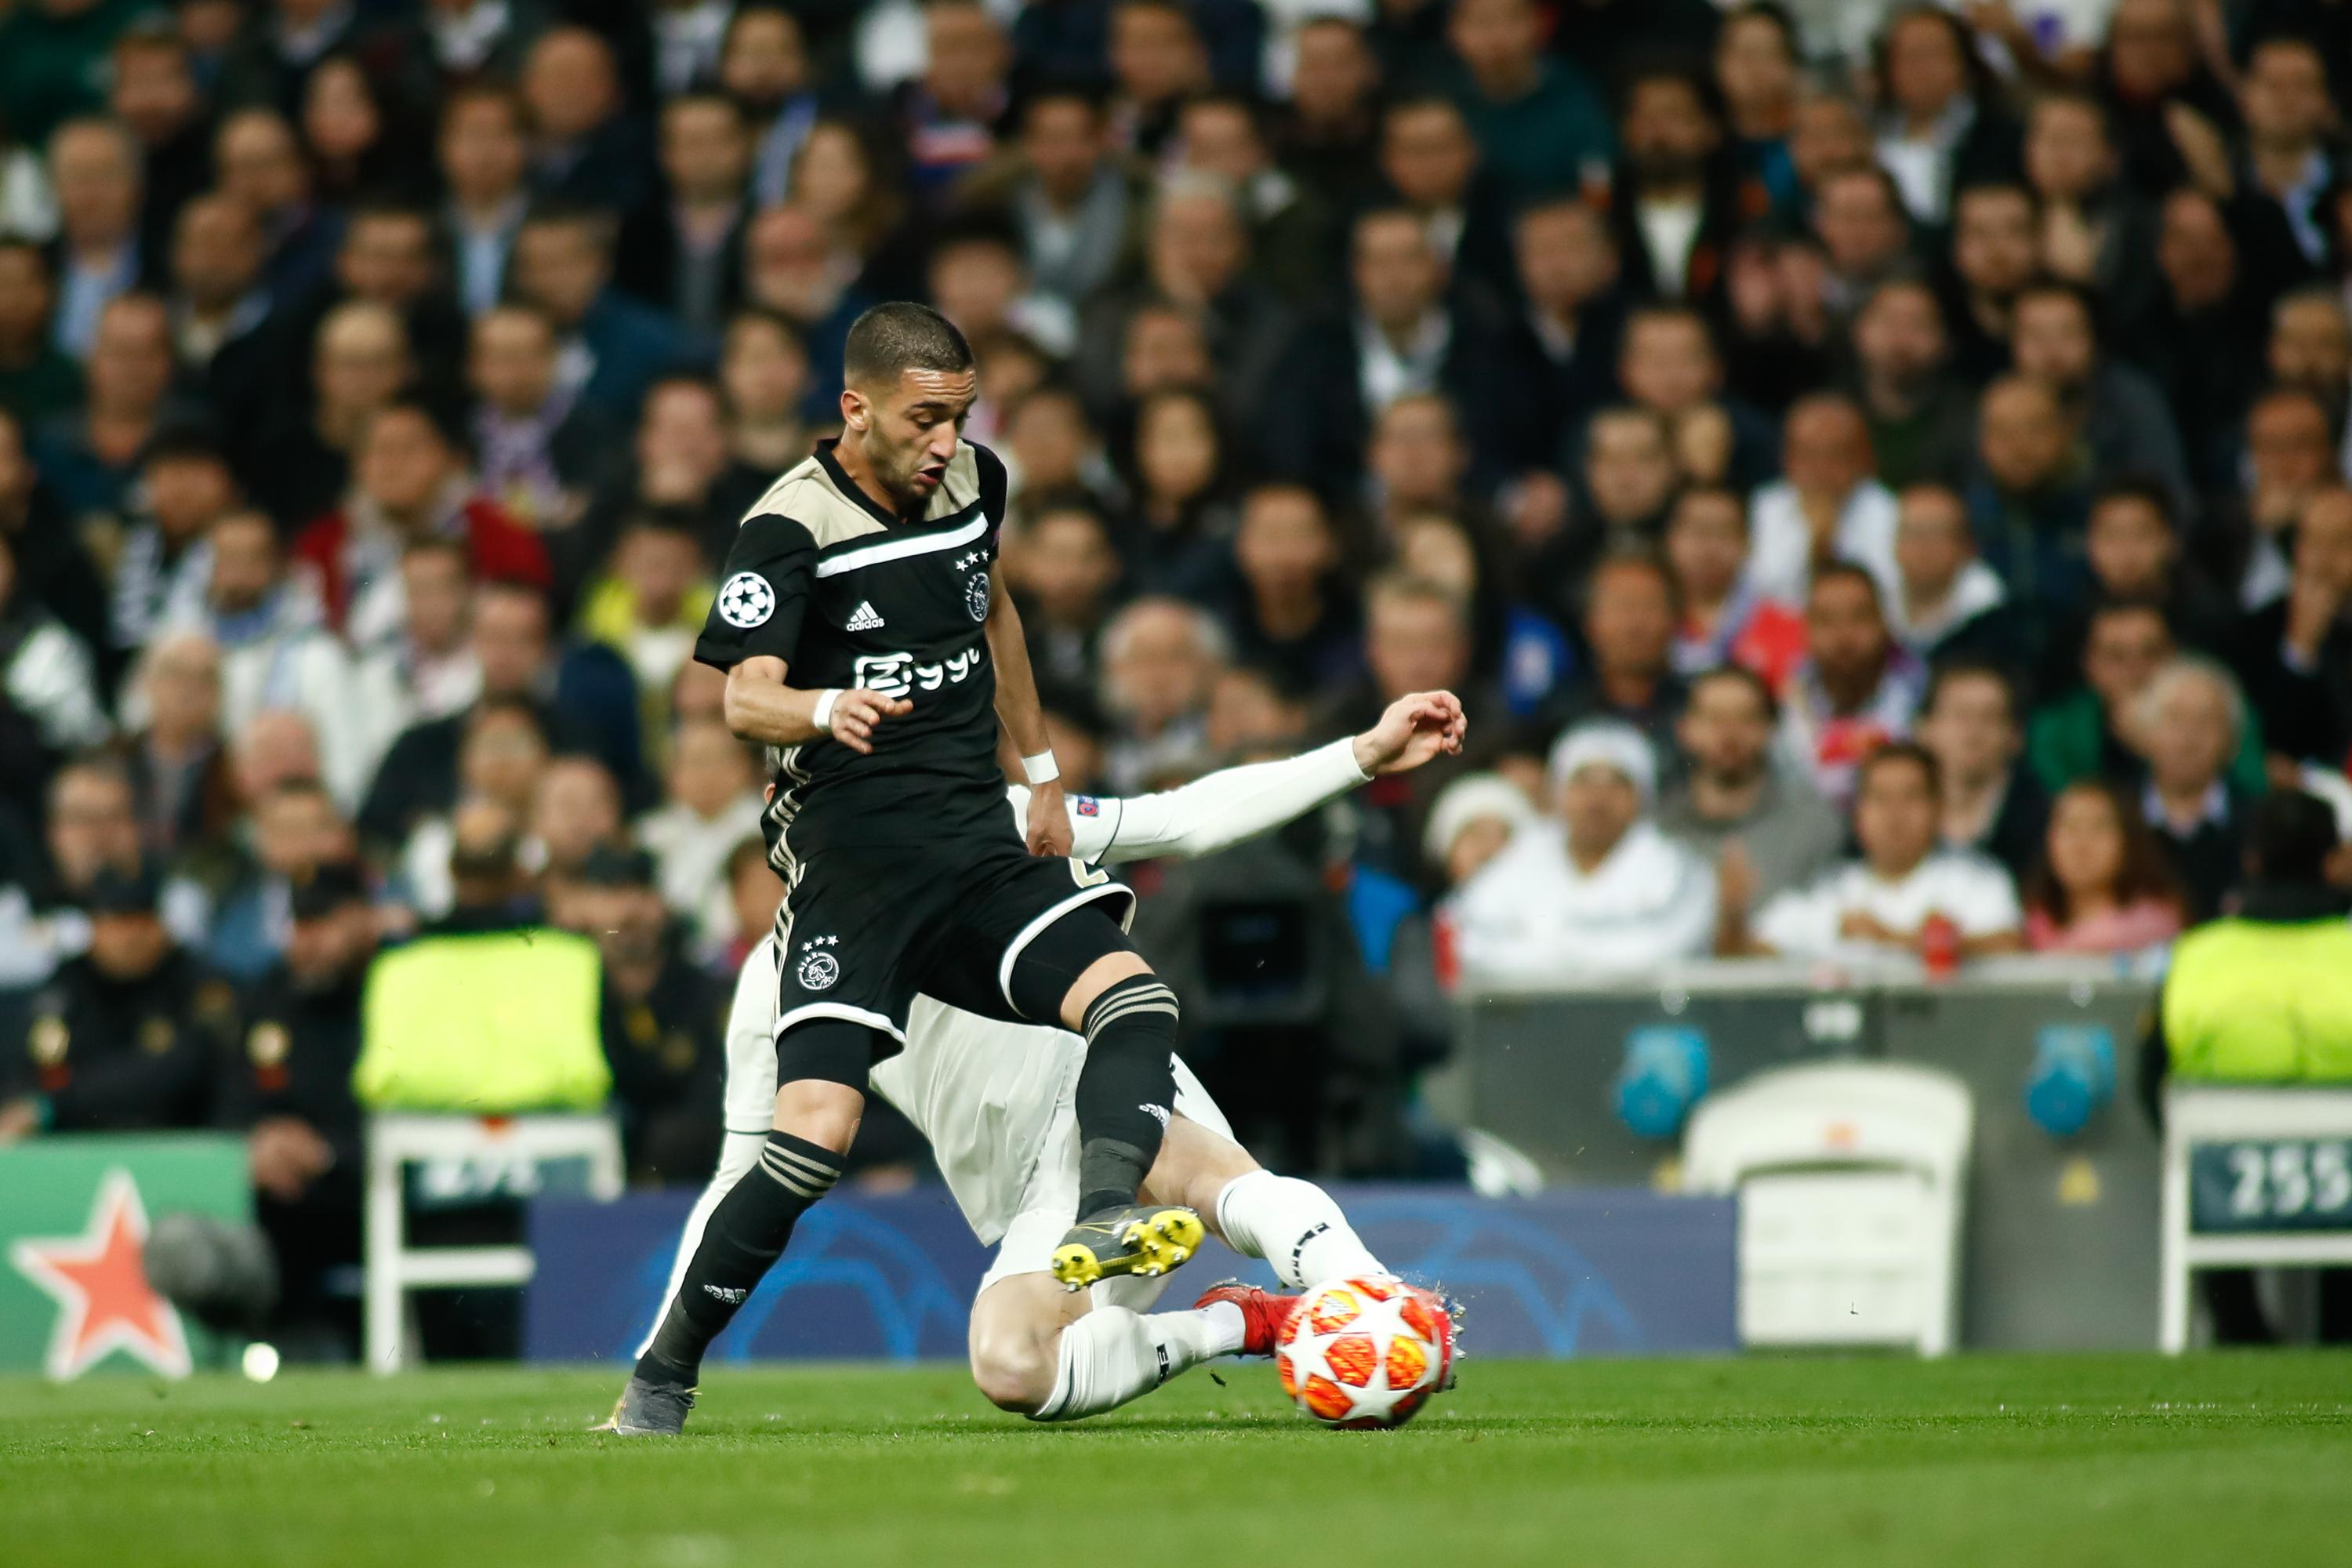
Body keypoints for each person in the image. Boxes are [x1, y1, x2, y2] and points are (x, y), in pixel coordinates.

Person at [618, 304, 1378, 1431]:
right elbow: (739, 695)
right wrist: (827, 705)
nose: (947, 443)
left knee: (1135, 994)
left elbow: (1002, 618)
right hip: (867, 883)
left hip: (991, 866)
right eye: (926, 420)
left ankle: (1172, 1235)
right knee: (819, 1139)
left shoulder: (976, 483)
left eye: (961, 417)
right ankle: (660, 1382)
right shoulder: (787, 526)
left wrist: (1048, 772)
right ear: (855, 407)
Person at [623, 688, 1466, 1428]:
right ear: (784, 800)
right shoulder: (776, 980)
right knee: (1010, 1365)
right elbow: (743, 1182)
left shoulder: (1014, 823)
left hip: (1105, 1081)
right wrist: (658, 1358)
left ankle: (1380, 1301)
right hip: (1034, 1192)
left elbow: (1184, 816)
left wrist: (1360, 754)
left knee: (1198, 1171)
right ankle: (1244, 1324)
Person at [2147, 788, 2352, 1343]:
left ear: (2251, 860)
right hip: (2346, 1167)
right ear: (2335, 860)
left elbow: (2151, 1077)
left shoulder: (2196, 956)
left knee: (2192, 1158)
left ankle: (2241, 1330)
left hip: (2225, 1173)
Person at [218, 859, 376, 1356]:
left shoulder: (395, 989)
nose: (308, 941)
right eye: (300, 924)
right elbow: (227, 1104)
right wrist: (259, 1144)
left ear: (365, 919)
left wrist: (328, 1153)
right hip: (286, 1208)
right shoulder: (266, 999)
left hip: (372, 1193)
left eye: (324, 923)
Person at [1447, 721, 1717, 980]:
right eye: (1583, 781)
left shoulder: (1675, 865)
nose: (1597, 799)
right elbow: (1475, 942)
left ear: (1641, 795)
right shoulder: (1521, 854)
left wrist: (1548, 944)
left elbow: (1661, 950)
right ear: (1558, 792)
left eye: (1617, 783)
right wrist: (1588, 949)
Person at [0, 865, 238, 1138]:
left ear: (162, 926)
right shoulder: (69, 984)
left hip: (175, 1144)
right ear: (94, 928)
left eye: (141, 921)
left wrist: (56, 1105)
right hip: (78, 1148)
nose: (130, 937)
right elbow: (24, 1068)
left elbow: (181, 1069)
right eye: (117, 921)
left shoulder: (197, 984)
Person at [1740, 741, 2023, 966]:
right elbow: (1755, 950)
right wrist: (1731, 914)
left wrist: (1899, 940)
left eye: (1911, 797)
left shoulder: (1975, 879)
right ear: (1858, 813)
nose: (1894, 814)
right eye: (1880, 798)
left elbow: (2012, 945)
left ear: (1939, 808)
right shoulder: (1829, 887)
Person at [1657, 664, 1843, 925]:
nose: (1728, 735)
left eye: (1745, 719)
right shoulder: (1659, 830)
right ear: (1685, 729)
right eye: (1714, 718)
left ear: (1770, 728)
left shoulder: (1814, 826)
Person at [1779, 563, 1924, 807]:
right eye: (1826, 620)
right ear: (1806, 629)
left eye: (1859, 618)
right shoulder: (1782, 700)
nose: (1843, 635)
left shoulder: (1921, 695)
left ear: (1884, 623)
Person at [1915, 659, 2048, 882]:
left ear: (2016, 736)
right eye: (1960, 715)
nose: (1973, 733)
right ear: (1923, 729)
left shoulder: (2046, 825)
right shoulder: (1888, 816)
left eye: (1989, 718)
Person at [2022, 780, 2185, 955]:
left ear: (2130, 841)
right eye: (2070, 827)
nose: (2081, 844)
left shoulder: (2155, 923)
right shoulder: (2031, 924)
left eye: (2099, 827)